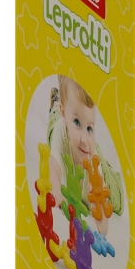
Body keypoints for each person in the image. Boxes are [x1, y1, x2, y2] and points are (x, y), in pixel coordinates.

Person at [47, 75, 123, 236]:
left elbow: (104, 229)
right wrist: (59, 195)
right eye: (77, 122)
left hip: (94, 159)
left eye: (89, 128)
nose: (83, 139)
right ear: (64, 113)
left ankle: (71, 117)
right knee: (52, 127)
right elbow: (53, 170)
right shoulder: (61, 129)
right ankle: (55, 102)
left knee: (117, 201)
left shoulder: (94, 162)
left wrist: (98, 206)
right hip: (62, 129)